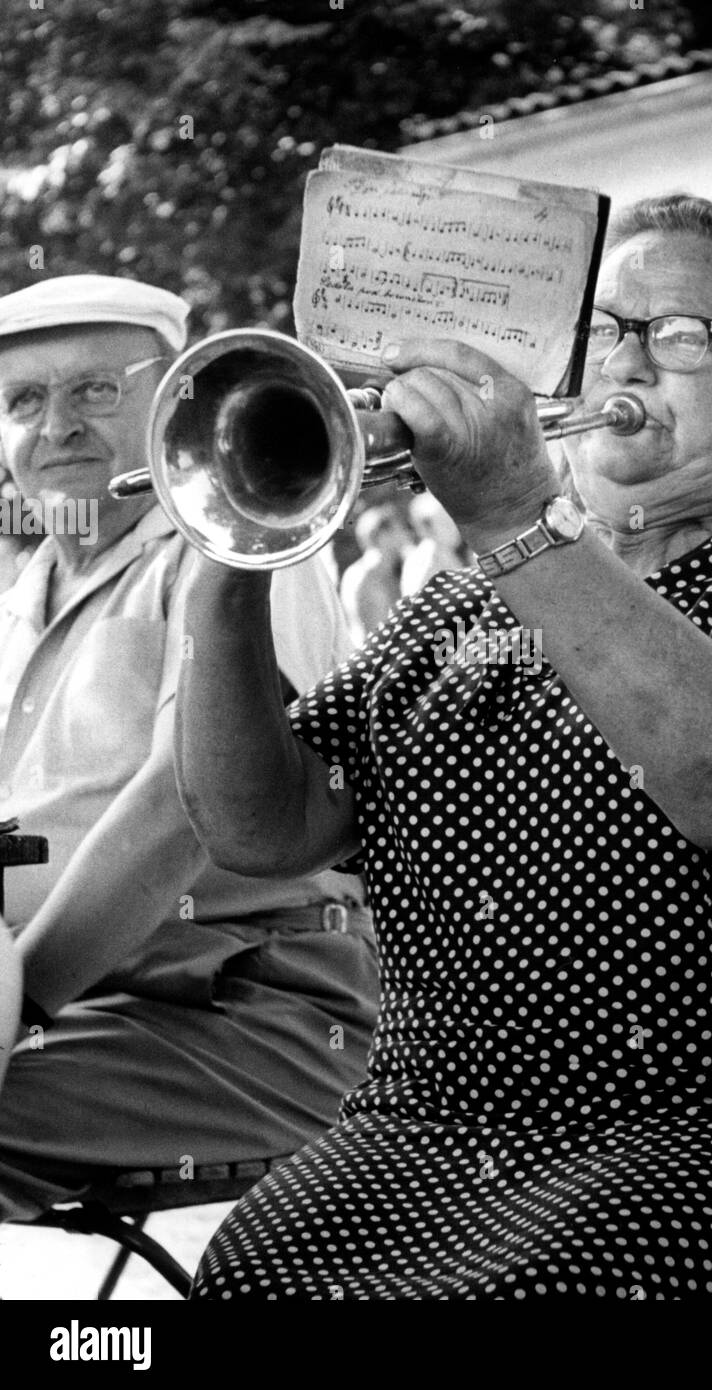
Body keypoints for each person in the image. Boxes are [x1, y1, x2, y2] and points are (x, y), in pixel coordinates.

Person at [178, 195, 712, 1300]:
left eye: (685, 335)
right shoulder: (452, 610)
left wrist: (513, 517)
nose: (630, 361)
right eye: (604, 334)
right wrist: (231, 556)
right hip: (431, 1133)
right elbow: (264, 827)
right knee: (251, 1269)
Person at [0, 275, 378, 1221]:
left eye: (94, 390)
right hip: (79, 1012)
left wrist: (22, 1007)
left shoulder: (241, 547)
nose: (56, 429)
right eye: (22, 401)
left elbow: (186, 806)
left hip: (232, 1012)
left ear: (175, 402)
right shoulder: (18, 589)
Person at [338, 503, 411, 645]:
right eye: (400, 528)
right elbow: (374, 630)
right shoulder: (364, 576)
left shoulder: (390, 569)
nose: (406, 534)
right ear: (383, 535)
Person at [399, 490, 470, 596]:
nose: (454, 528)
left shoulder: (459, 550)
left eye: (453, 520)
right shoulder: (422, 563)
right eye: (445, 524)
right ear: (427, 528)